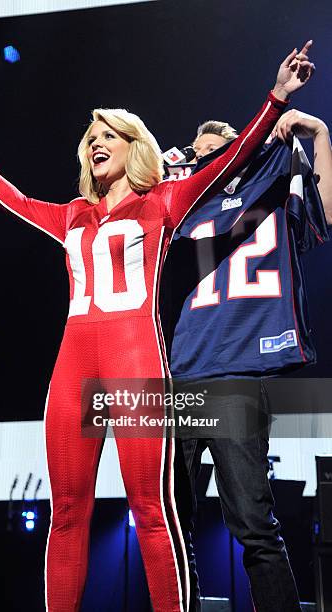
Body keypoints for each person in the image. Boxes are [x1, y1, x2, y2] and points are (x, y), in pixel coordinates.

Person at [0, 44, 314, 612]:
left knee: (153, 508)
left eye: (109, 135)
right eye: (90, 137)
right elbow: (15, 201)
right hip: (71, 371)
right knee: (67, 512)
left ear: (133, 147)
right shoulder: (72, 213)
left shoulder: (163, 201)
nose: (96, 142)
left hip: (137, 361)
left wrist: (277, 96)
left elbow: (234, 158)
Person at [170, 109, 331, 612]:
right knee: (169, 526)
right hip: (174, 375)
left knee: (254, 527)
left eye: (218, 145)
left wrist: (321, 133)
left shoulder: (274, 185)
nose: (206, 152)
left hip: (234, 376)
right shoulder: (184, 203)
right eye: (200, 150)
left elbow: (324, 212)